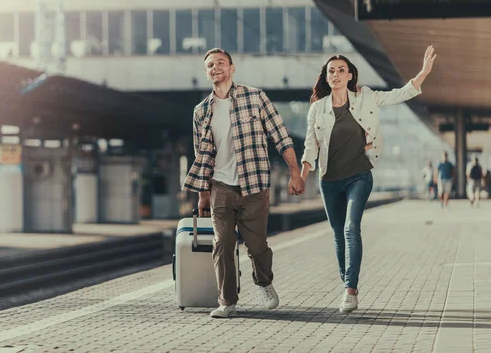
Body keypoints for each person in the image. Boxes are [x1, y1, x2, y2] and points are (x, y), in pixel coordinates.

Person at [300, 46, 437, 313]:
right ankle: (346, 282)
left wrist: (422, 74)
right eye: (331, 71)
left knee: (351, 228)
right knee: (338, 235)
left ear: (350, 75)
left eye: (341, 70)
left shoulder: (366, 97)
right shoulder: (317, 109)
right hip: (329, 180)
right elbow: (310, 145)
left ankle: (350, 289)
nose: (336, 74)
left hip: (359, 175)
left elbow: (399, 94)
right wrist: (302, 176)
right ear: (327, 78)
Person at [182, 48, 305, 318]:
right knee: (222, 242)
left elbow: (281, 137)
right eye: (210, 65)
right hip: (220, 187)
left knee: (257, 246)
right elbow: (201, 156)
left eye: (221, 63)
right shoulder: (201, 111)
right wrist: (203, 194)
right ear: (206, 73)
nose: (216, 68)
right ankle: (227, 301)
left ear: (232, 68)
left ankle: (263, 281)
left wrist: (295, 173)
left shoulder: (256, 97)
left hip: (254, 185)